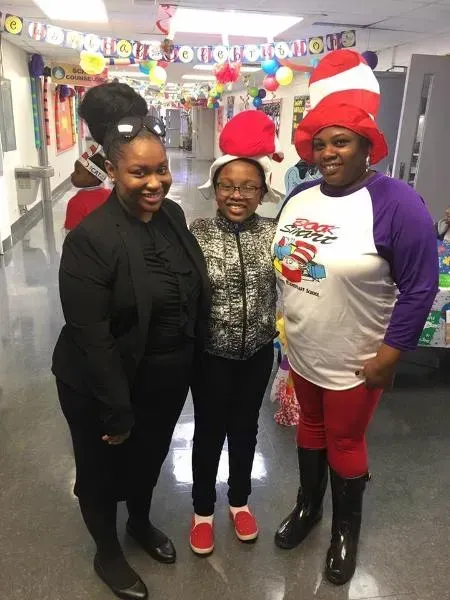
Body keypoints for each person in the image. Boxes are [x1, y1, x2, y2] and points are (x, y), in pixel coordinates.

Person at [273, 50, 438, 585]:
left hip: (358, 357)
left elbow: (420, 287)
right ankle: (309, 507)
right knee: (311, 428)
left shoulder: (397, 203)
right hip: (302, 347)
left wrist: (390, 357)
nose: (327, 153)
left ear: (368, 144)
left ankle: (346, 527)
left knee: (345, 441)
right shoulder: (298, 197)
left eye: (340, 141)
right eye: (319, 143)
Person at [52, 82, 210, 600]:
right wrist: (116, 409)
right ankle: (108, 552)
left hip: (163, 376)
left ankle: (139, 522)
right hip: (103, 382)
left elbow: (191, 291)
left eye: (160, 169)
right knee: (100, 472)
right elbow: (91, 334)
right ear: (114, 172)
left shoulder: (174, 216)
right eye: (139, 172)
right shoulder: (90, 239)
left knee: (149, 458)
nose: (155, 182)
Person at [188, 111, 282, 555]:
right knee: (208, 431)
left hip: (259, 352)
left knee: (245, 431)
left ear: (262, 191)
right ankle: (202, 510)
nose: (237, 195)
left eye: (248, 187)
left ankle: (239, 501)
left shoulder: (275, 234)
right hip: (210, 355)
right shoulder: (197, 233)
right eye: (228, 186)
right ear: (215, 189)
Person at [64, 146, 110, 231]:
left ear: (94, 177)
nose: (72, 174)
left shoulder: (76, 203)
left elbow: (71, 236)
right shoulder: (111, 195)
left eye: (77, 172)